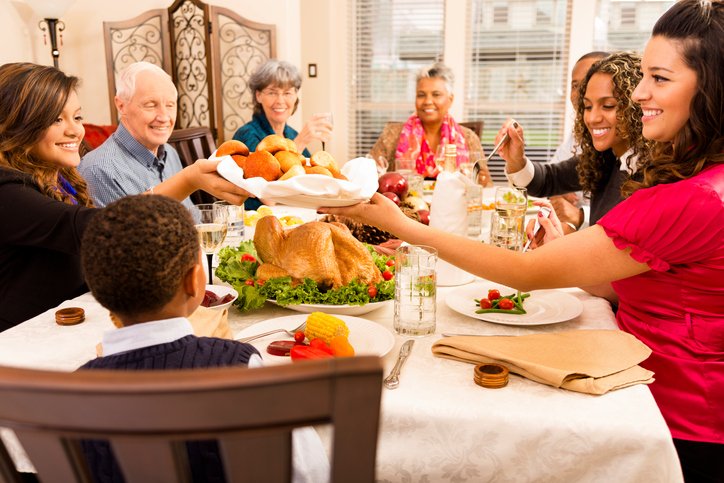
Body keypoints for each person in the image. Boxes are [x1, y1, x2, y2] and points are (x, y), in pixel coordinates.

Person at [319, 1, 724, 480]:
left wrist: (406, 228)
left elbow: (529, 273)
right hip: (640, 373)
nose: (639, 94)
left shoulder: (692, 198)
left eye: (659, 78)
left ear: (712, 90)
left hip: (677, 420)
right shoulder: (697, 175)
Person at [77, 194, 329, 483]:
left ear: (97, 293)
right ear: (196, 281)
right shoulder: (237, 367)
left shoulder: (72, 392)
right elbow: (308, 471)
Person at [0, 62, 251, 331]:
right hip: (21, 343)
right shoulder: (7, 191)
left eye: (77, 117)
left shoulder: (62, 177)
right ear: (18, 124)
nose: (75, 130)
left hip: (75, 323)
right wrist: (188, 180)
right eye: (56, 119)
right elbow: (101, 228)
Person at [497, 52, 654, 230]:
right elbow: (548, 179)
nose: (592, 118)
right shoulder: (605, 158)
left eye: (608, 105)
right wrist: (516, 159)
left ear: (637, 107)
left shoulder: (651, 174)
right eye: (587, 106)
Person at [78, 62, 193, 208]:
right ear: (121, 106)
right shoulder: (99, 170)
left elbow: (194, 219)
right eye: (150, 105)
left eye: (170, 105)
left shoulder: (170, 153)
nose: (164, 117)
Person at [367, 62, 492, 185]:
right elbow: (367, 170)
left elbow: (487, 184)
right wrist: (376, 174)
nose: (428, 101)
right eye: (421, 95)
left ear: (450, 99)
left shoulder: (468, 137)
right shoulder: (392, 134)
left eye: (436, 95)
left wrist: (482, 181)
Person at [231, 59, 333, 210]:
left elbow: (308, 178)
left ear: (295, 95)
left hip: (293, 213)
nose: (280, 101)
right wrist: (301, 142)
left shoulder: (291, 133)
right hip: (253, 219)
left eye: (287, 93)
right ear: (258, 96)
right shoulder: (247, 135)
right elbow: (269, 198)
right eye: (272, 93)